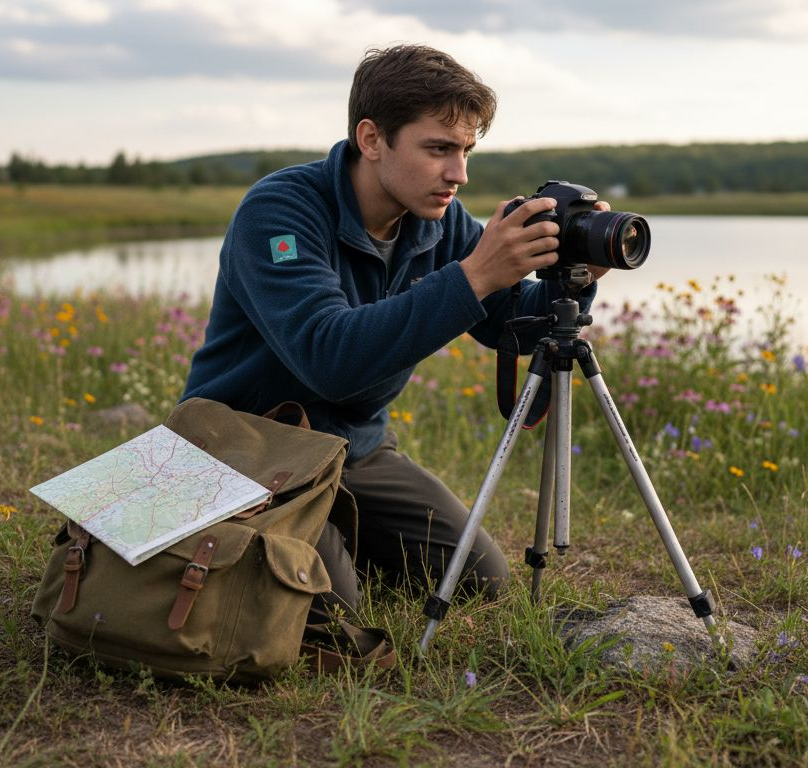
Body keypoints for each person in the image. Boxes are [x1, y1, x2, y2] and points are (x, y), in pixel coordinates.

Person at [181, 44, 606, 617]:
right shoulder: (279, 212)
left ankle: (335, 531)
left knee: (479, 578)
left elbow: (515, 324)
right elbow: (329, 360)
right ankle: (291, 538)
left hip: (356, 449)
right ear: (372, 139)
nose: (458, 173)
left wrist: (574, 279)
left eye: (466, 150)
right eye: (438, 149)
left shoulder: (439, 219)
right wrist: (476, 274)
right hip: (248, 448)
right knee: (326, 613)